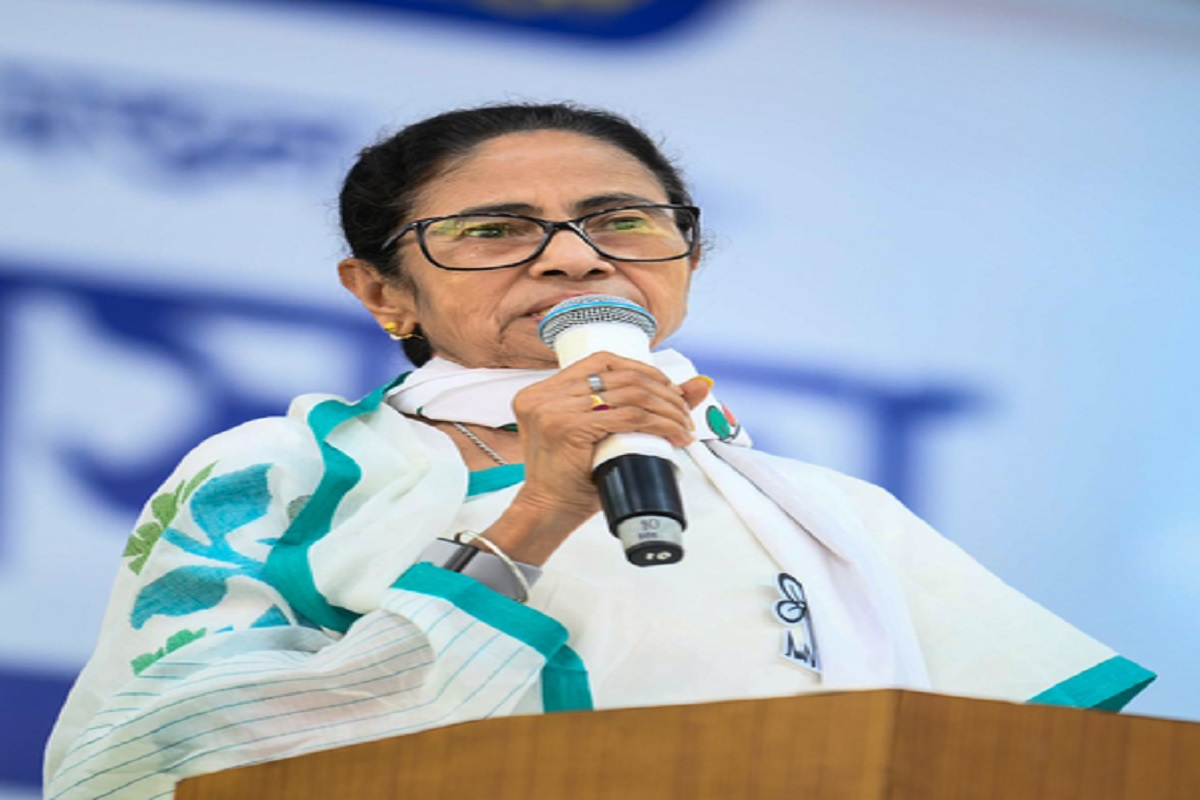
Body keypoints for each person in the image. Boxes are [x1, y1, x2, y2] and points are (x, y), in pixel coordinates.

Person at [44, 103, 1153, 799]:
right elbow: (146, 759)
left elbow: (1024, 770)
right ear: (384, 293)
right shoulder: (289, 470)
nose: (575, 258)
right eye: (494, 231)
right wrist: (536, 515)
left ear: (686, 257)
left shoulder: (829, 513)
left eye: (623, 220)